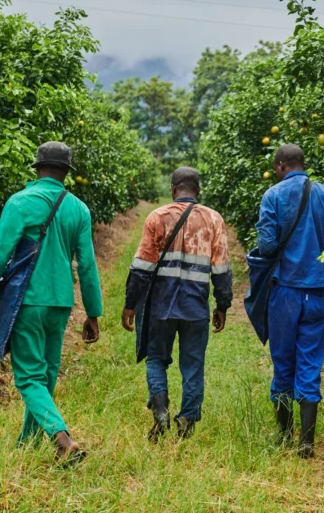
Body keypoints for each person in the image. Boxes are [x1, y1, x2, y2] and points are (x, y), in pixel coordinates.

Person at [0, 141, 102, 463]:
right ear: (66, 172)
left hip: (27, 300)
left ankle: (62, 439)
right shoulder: (79, 209)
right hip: (61, 302)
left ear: (38, 167)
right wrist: (92, 312)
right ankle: (28, 442)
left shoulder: (20, 202)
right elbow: (87, 265)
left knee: (30, 377)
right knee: (45, 374)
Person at [122, 166, 232, 441]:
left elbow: (142, 267)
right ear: (198, 191)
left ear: (173, 190)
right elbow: (221, 269)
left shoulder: (158, 217)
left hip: (162, 306)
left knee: (156, 358)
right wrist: (222, 305)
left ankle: (160, 411)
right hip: (195, 307)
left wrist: (131, 303)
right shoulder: (213, 219)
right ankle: (187, 419)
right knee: (193, 365)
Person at [256, 144, 324, 458]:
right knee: (310, 363)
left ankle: (284, 436)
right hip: (316, 292)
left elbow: (266, 246)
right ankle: (306, 443)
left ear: (280, 166)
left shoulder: (273, 196)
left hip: (285, 293)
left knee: (284, 363)